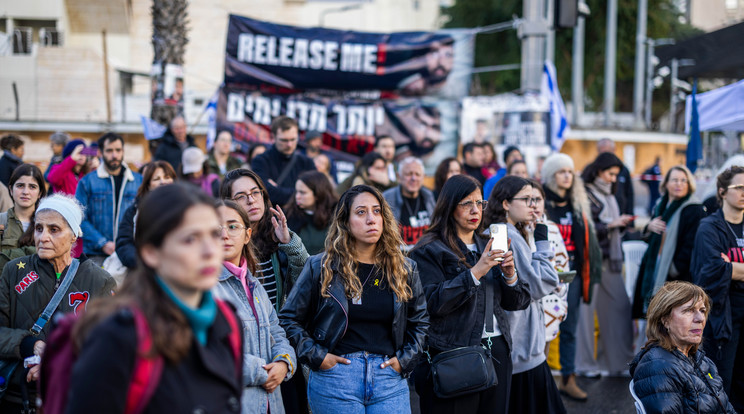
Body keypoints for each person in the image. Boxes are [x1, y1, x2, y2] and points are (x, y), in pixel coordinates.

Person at [63, 183, 243, 413]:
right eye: (190, 239)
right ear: (150, 252)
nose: (210, 251)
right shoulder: (117, 336)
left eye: (213, 234)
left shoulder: (228, 321)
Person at [279, 184, 429, 414]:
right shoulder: (321, 267)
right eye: (361, 212)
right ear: (345, 222)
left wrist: (404, 361)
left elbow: (420, 322)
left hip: (388, 376)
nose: (371, 219)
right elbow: (289, 319)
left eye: (377, 211)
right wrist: (318, 357)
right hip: (336, 378)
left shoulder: (405, 268)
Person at [410, 174, 530, 414]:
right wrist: (477, 271)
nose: (475, 210)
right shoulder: (429, 249)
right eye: (467, 203)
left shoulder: (490, 242)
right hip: (453, 350)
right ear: (449, 205)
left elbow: (518, 302)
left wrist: (510, 274)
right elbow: (432, 303)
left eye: (479, 203)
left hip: (496, 348)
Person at [0, 194, 115, 413]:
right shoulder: (14, 271)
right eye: (39, 228)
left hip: (71, 397)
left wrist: (56, 363)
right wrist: (29, 345)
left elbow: (107, 346)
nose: (42, 237)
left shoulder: (99, 280)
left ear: (74, 236)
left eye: (54, 230)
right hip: (18, 396)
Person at [484, 176, 565, 414]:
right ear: (506, 203)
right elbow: (542, 282)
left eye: (535, 199)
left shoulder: (512, 232)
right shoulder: (507, 235)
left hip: (523, 347)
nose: (533, 205)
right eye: (526, 199)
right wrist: (542, 240)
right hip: (522, 350)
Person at [213, 199, 297, 414]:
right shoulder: (204, 287)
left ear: (247, 235)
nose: (224, 234)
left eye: (233, 226)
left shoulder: (254, 284)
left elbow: (277, 332)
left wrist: (284, 363)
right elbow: (210, 352)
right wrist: (263, 372)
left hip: (271, 403)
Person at [541, 153, 601, 401]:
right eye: (561, 171)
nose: (567, 176)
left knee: (569, 327)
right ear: (550, 175)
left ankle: (568, 379)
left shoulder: (578, 204)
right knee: (542, 328)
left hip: (572, 273)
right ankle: (540, 381)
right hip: (544, 273)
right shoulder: (540, 201)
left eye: (570, 171)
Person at [629, 281, 736, 414]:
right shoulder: (658, 367)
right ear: (665, 320)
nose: (700, 318)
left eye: (702, 311)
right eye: (688, 310)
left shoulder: (702, 361)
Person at [692, 166, 744, 411]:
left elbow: (724, 268)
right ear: (722, 192)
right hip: (724, 316)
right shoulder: (709, 228)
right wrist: (725, 269)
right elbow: (711, 272)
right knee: (722, 379)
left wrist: (731, 266)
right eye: (739, 187)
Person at [221, 169, 309, 312]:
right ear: (228, 203)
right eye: (241, 196)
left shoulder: (277, 234)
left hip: (279, 329)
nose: (251, 200)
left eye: (255, 192)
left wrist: (289, 242)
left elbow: (305, 280)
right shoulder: (226, 242)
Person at [579, 152, 635, 376]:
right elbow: (584, 228)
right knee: (585, 313)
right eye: (610, 174)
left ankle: (621, 364)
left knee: (619, 308)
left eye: (616, 175)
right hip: (591, 259)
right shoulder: (584, 193)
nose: (613, 179)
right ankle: (584, 365)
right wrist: (611, 225)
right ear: (599, 170)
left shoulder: (609, 194)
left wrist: (618, 225)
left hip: (609, 259)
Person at [634, 165, 706, 317]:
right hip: (655, 267)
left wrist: (674, 268)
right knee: (655, 318)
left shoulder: (694, 209)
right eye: (674, 180)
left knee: (671, 317)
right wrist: (649, 226)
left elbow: (691, 245)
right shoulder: (661, 205)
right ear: (666, 183)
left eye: (683, 180)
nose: (679, 184)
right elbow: (650, 238)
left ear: (689, 184)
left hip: (676, 275)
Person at [75, 133, 143, 265]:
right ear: (100, 152)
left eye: (118, 150)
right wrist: (103, 243)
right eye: (109, 150)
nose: (115, 155)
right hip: (96, 254)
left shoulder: (138, 181)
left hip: (129, 254)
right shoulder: (87, 182)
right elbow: (79, 217)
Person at [115, 161, 176, 270]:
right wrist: (142, 262)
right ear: (148, 185)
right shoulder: (135, 210)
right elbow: (124, 243)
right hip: (144, 272)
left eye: (167, 177)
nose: (163, 182)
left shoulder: (185, 209)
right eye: (156, 179)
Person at [252, 116, 316, 206]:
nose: (289, 144)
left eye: (293, 139)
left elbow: (315, 192)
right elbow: (266, 193)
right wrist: (300, 192)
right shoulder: (260, 161)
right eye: (284, 140)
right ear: (273, 137)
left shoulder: (307, 163)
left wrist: (277, 189)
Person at [382, 157, 435, 249]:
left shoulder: (429, 196)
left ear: (423, 177)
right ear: (399, 177)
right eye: (409, 174)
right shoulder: (387, 198)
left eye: (417, 174)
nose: (413, 178)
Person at [0, 165, 47, 266]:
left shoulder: (49, 224)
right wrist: (33, 252)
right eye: (20, 186)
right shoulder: (1, 221)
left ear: (40, 193)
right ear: (11, 190)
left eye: (32, 187)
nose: (25, 192)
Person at [285, 171, 338, 255]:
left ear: (318, 194)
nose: (297, 196)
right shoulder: (290, 215)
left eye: (303, 192)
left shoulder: (337, 216)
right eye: (296, 191)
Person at [597, 138, 634, 218]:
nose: (613, 179)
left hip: (620, 215)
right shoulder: (593, 170)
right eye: (611, 174)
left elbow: (629, 194)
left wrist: (630, 219)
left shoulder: (623, 170)